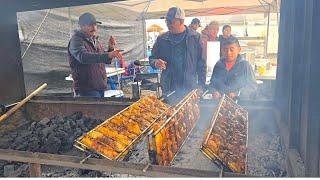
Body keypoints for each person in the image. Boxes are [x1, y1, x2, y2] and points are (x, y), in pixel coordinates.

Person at [149, 7, 206, 96]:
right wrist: (155, 62)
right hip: (168, 87)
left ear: (182, 21)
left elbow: (201, 63)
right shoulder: (162, 39)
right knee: (168, 109)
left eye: (171, 21)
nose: (168, 24)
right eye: (167, 21)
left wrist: (201, 85)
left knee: (188, 110)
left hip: (189, 87)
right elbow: (152, 58)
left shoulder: (195, 37)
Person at [67, 12, 123, 97]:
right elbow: (83, 57)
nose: (94, 28)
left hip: (99, 86)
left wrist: (110, 48)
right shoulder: (76, 41)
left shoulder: (95, 40)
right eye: (90, 25)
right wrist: (108, 55)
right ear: (81, 26)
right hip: (86, 89)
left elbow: (104, 59)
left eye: (95, 25)